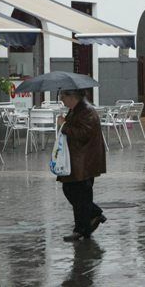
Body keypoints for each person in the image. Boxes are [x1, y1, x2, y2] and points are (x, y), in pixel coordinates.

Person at [56, 90, 107, 242]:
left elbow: (83, 133)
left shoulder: (87, 111)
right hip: (77, 160)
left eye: (63, 97)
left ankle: (81, 229)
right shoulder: (76, 110)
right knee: (73, 191)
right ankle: (91, 218)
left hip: (85, 161)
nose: (62, 100)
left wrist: (64, 125)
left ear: (72, 97)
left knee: (79, 193)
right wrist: (66, 121)